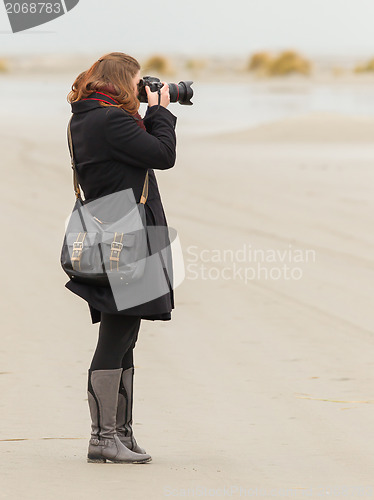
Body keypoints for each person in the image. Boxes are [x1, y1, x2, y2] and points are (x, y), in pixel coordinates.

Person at [65, 52, 177, 464]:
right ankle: (103, 438)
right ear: (120, 82)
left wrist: (146, 112)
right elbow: (162, 155)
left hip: (113, 226)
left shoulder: (90, 115)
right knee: (116, 336)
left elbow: (135, 151)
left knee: (126, 333)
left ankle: (120, 434)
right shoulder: (110, 120)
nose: (139, 89)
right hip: (124, 236)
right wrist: (160, 111)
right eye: (135, 83)